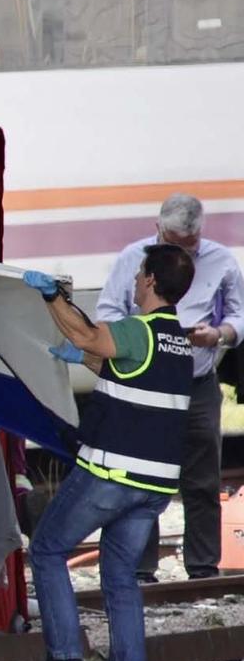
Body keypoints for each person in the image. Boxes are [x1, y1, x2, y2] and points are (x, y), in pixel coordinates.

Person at [20, 245, 197, 661]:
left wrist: (53, 299)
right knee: (120, 579)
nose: (136, 280)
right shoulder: (176, 342)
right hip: (154, 487)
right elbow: (117, 366)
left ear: (153, 281)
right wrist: (80, 356)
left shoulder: (138, 329)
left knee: (47, 550)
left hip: (111, 473)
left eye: (141, 273)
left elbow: (89, 334)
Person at [94, 193, 242, 583]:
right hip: (148, 383)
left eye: (186, 247)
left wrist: (218, 335)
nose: (178, 253)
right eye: (170, 244)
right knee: (140, 475)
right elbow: (108, 312)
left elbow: (238, 316)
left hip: (197, 382)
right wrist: (141, 337)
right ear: (157, 227)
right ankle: (141, 569)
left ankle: (203, 568)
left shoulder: (222, 261)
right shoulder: (133, 259)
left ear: (199, 237)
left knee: (203, 478)